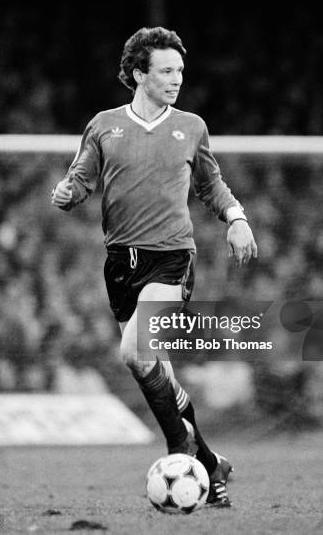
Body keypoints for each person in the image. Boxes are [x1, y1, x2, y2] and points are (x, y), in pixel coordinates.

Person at [51, 26, 258, 507]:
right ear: (139, 74)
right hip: (120, 264)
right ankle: (209, 463)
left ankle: (178, 451)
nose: (176, 78)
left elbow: (211, 184)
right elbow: (80, 180)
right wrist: (66, 194)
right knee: (157, 368)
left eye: (180, 70)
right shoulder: (104, 125)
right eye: (166, 70)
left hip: (171, 260)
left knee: (136, 354)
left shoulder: (191, 126)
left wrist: (237, 219)